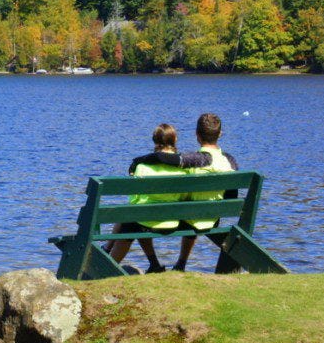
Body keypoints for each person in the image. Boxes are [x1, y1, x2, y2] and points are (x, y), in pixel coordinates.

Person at [132, 113, 239, 271]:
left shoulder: (198, 159)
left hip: (191, 217)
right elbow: (232, 196)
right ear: (220, 134)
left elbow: (166, 158)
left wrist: (139, 161)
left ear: (197, 135)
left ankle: (156, 263)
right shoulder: (230, 161)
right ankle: (181, 263)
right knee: (194, 207)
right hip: (213, 217)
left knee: (137, 218)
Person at [102, 123, 188, 274]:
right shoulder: (184, 168)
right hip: (175, 222)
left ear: (155, 141)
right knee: (138, 215)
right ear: (174, 141)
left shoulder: (142, 168)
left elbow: (134, 201)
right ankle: (153, 264)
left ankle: (105, 268)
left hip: (148, 221)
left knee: (132, 220)